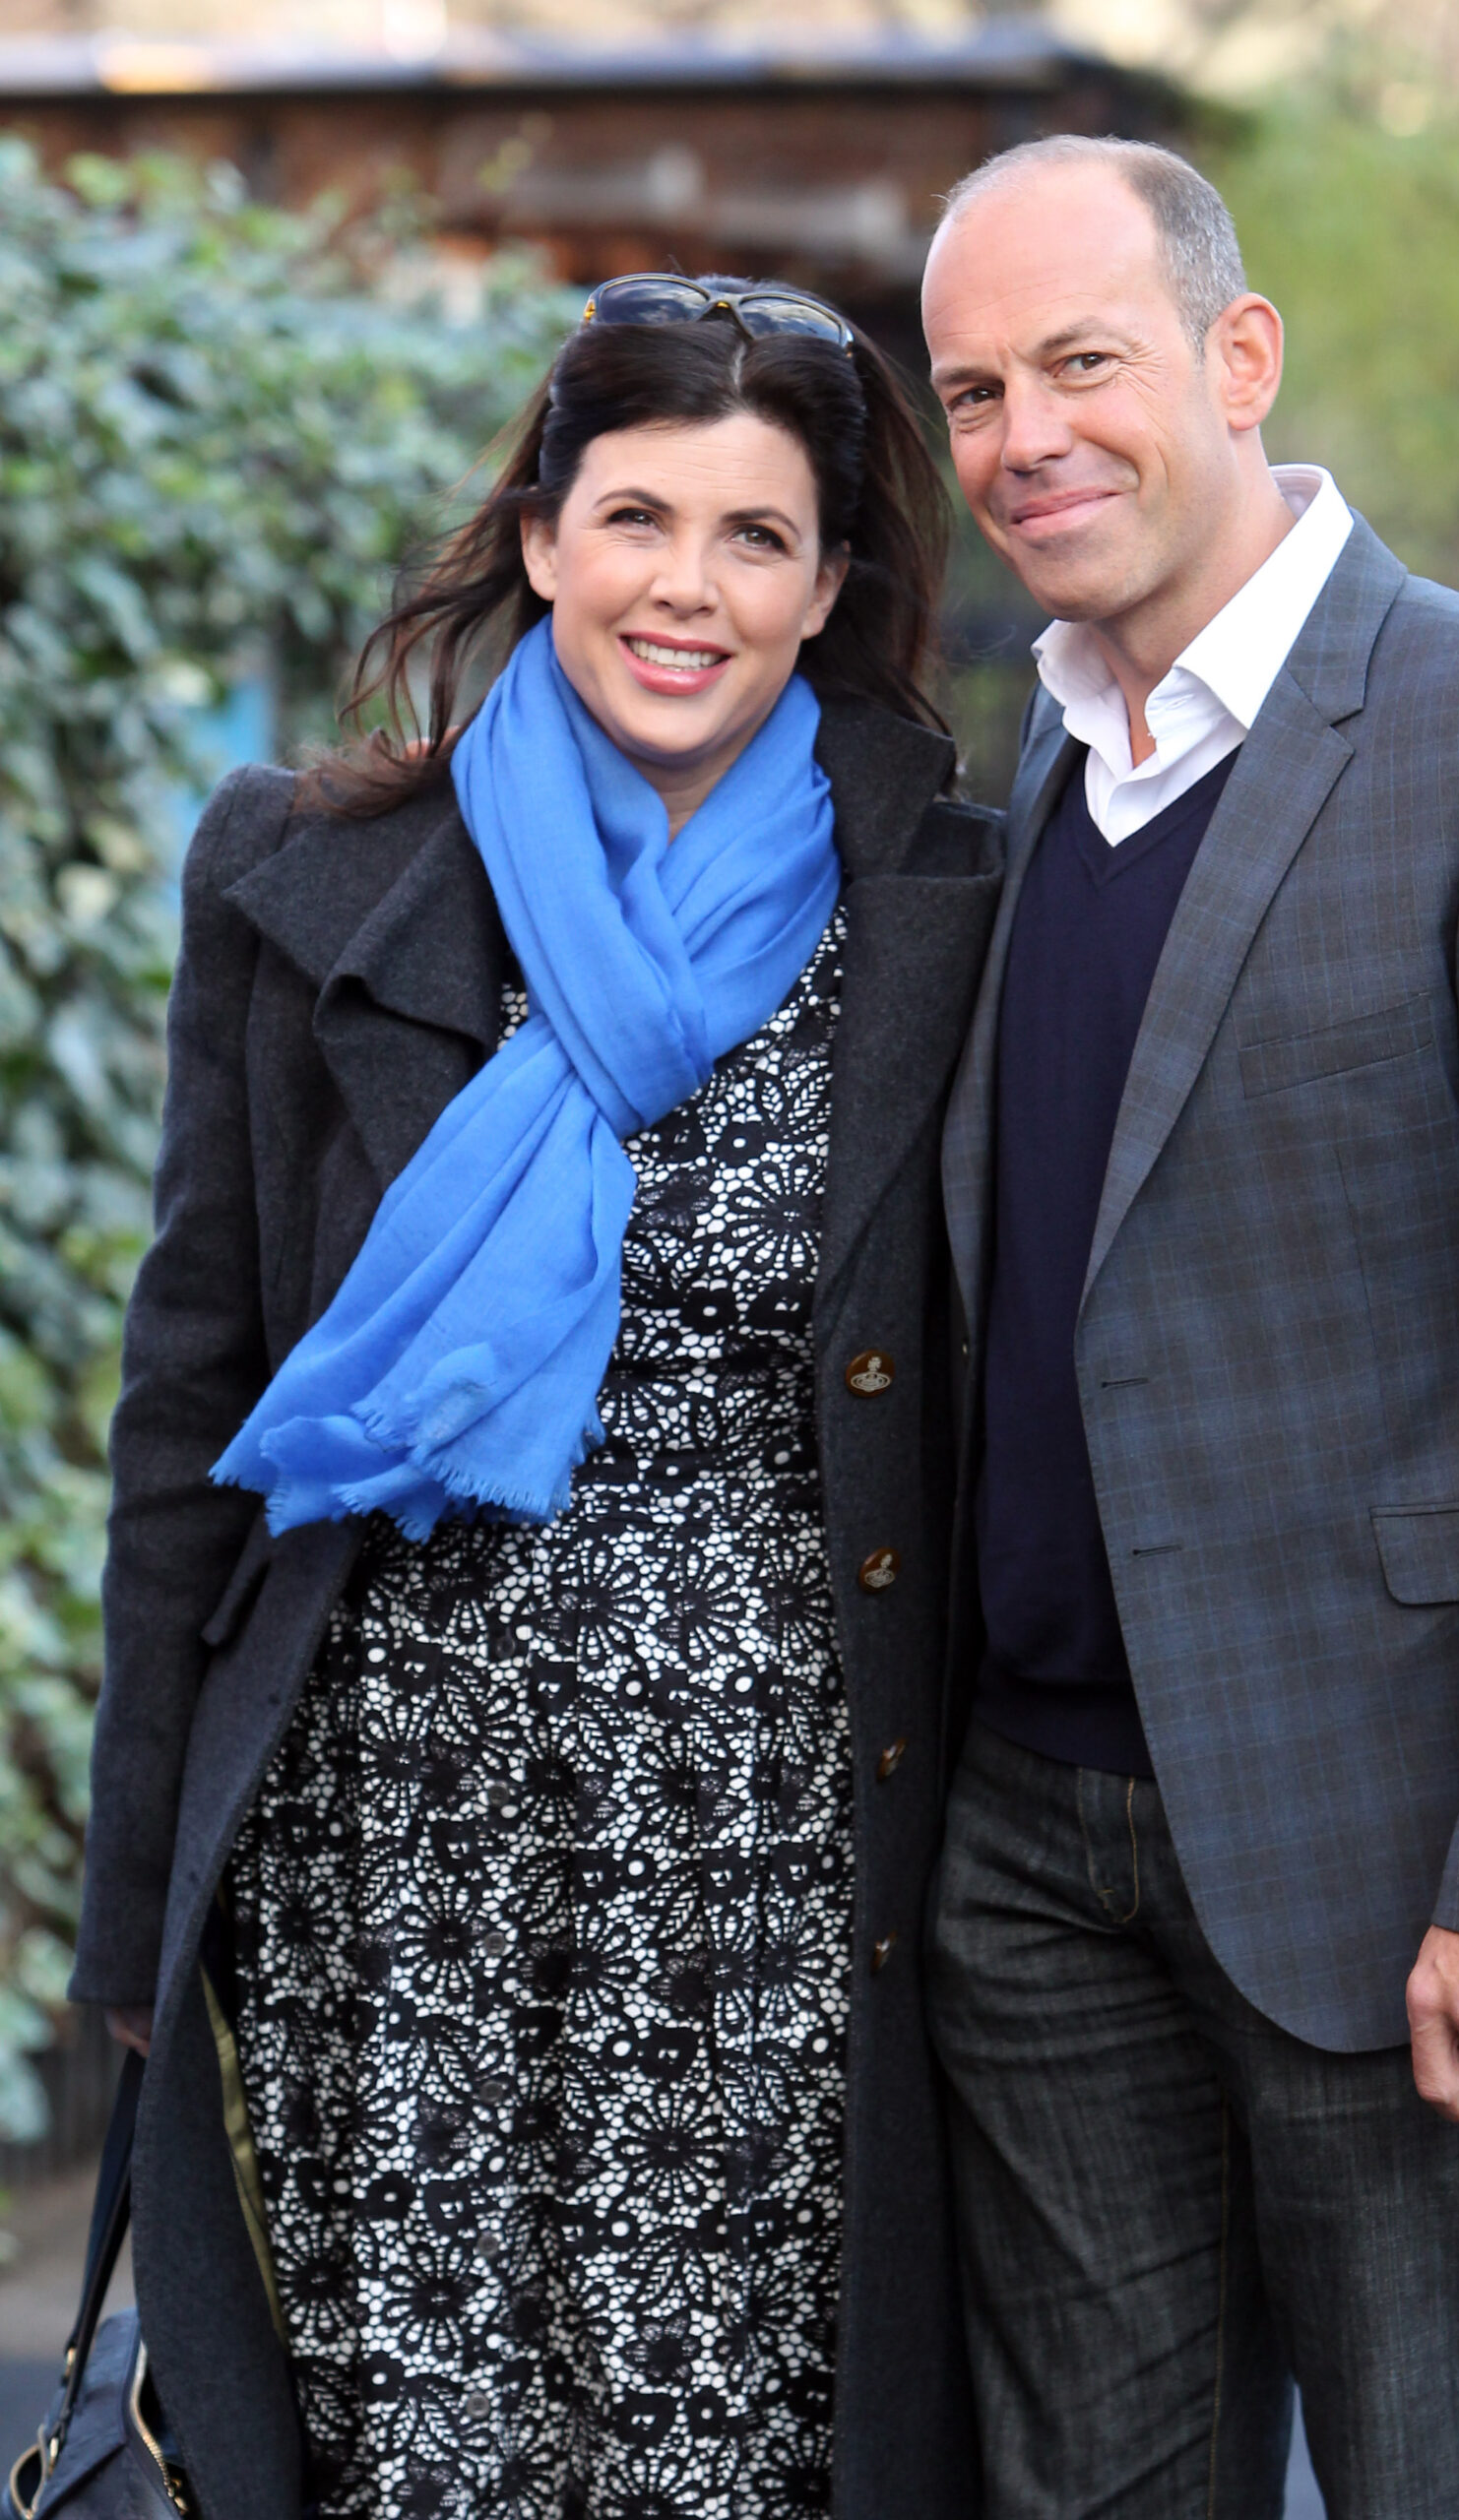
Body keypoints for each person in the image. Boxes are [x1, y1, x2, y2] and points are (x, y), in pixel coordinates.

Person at [71, 273, 1000, 2520]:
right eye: (640, 516)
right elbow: (190, 1392)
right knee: (424, 2451)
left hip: (771, 1850)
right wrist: (130, 1912)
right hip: (386, 1849)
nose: (688, 585)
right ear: (545, 535)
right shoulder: (306, 873)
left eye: (757, 536)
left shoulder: (961, 897)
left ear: (834, 586)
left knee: (731, 2453)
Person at [919, 135, 1459, 2519]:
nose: (1024, 438)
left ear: (1239, 355)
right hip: (1035, 1856)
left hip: (1405, 1858)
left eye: (1082, 362)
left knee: (1446, 2485)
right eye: (975, 390)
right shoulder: (1050, 763)